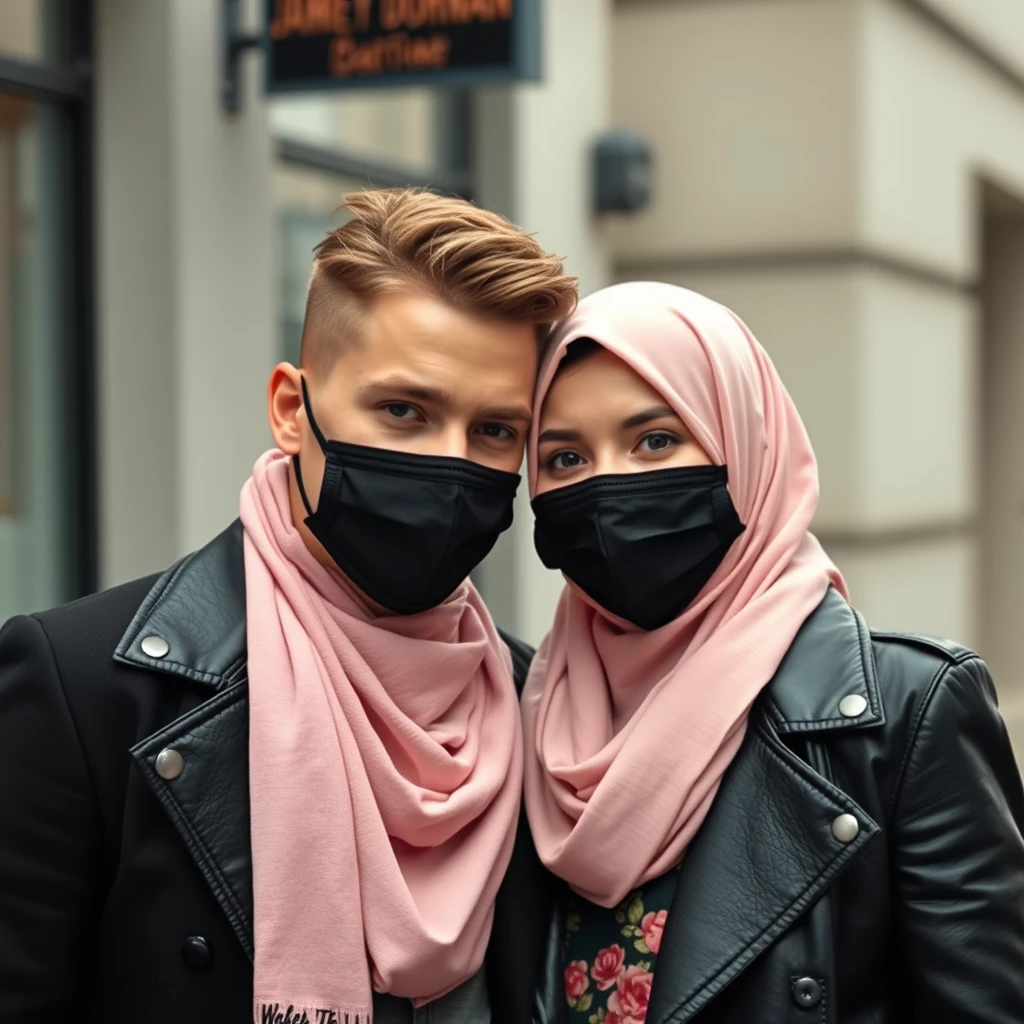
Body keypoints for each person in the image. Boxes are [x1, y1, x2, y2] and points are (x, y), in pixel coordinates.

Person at [0, 188, 578, 1024]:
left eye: (493, 432)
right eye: (403, 411)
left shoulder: (531, 705)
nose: (451, 467)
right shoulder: (82, 688)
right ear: (290, 412)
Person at [520, 281, 1024, 1024]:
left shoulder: (910, 713)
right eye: (564, 458)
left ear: (745, 448)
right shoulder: (522, 710)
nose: (606, 486)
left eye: (655, 440)